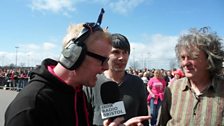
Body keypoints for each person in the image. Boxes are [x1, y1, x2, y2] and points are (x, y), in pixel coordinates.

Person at [158, 27, 224, 126]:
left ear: (210, 59)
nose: (185, 63)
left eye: (193, 57)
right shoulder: (172, 89)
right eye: (183, 57)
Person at [83, 33, 149, 126]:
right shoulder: (92, 82)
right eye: (116, 52)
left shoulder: (137, 83)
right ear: (106, 55)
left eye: (125, 52)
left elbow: (143, 118)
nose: (121, 57)